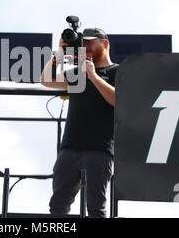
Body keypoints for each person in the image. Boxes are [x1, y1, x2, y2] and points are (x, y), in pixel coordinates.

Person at [40, 27, 118, 218]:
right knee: (57, 207)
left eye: (91, 42)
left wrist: (94, 76)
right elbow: (46, 80)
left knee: (96, 210)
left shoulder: (118, 71)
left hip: (99, 150)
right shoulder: (77, 72)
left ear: (105, 44)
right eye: (83, 44)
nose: (86, 47)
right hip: (69, 148)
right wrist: (59, 52)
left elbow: (118, 100)